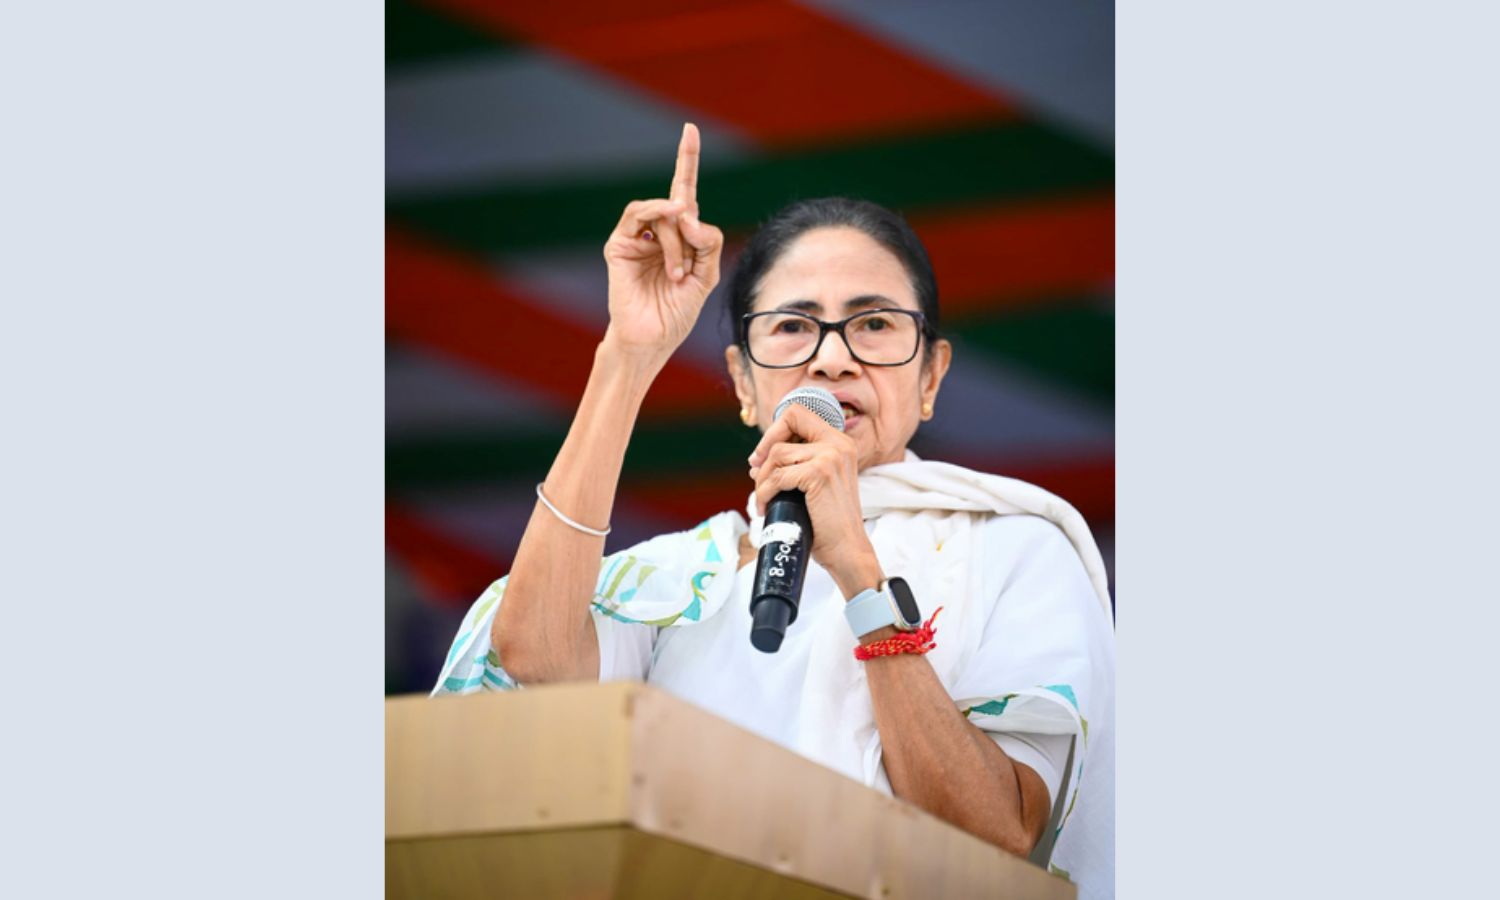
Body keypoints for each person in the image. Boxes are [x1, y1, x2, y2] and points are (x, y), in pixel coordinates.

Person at [433, 123, 1116, 898]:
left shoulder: (1015, 547)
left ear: (930, 376)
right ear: (742, 383)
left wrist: (858, 571)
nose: (833, 357)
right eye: (792, 327)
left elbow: (1000, 833)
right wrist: (629, 353)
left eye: (874, 324)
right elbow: (533, 652)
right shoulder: (683, 578)